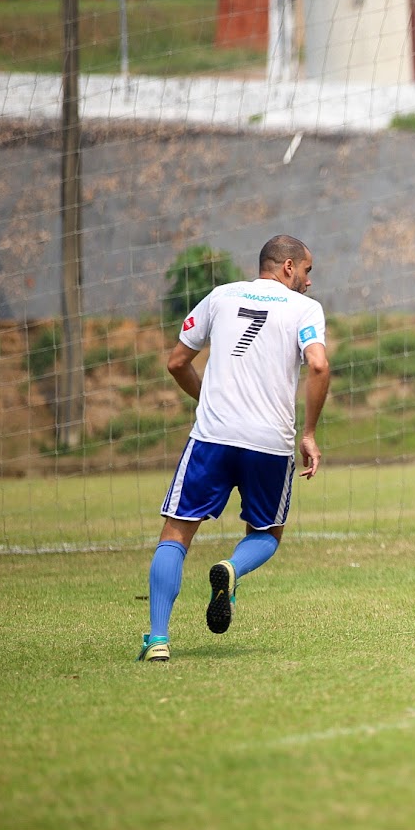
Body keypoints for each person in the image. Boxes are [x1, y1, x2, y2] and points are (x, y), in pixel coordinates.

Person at [137, 235, 330, 662]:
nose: (309, 281)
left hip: (212, 436)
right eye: (307, 270)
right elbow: (318, 364)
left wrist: (209, 399)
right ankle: (232, 569)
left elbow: (175, 363)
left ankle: (157, 640)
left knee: (176, 534)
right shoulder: (304, 309)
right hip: (269, 442)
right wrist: (310, 434)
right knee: (265, 534)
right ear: (286, 268)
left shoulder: (219, 296)